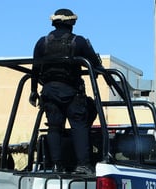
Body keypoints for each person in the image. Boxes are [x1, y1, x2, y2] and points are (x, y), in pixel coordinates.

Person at [29, 8, 102, 175]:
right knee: (79, 126)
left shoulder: (42, 42)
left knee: (54, 127)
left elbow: (35, 69)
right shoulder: (79, 42)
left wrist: (33, 91)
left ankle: (55, 165)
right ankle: (83, 164)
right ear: (72, 23)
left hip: (49, 92)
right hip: (72, 93)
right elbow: (95, 66)